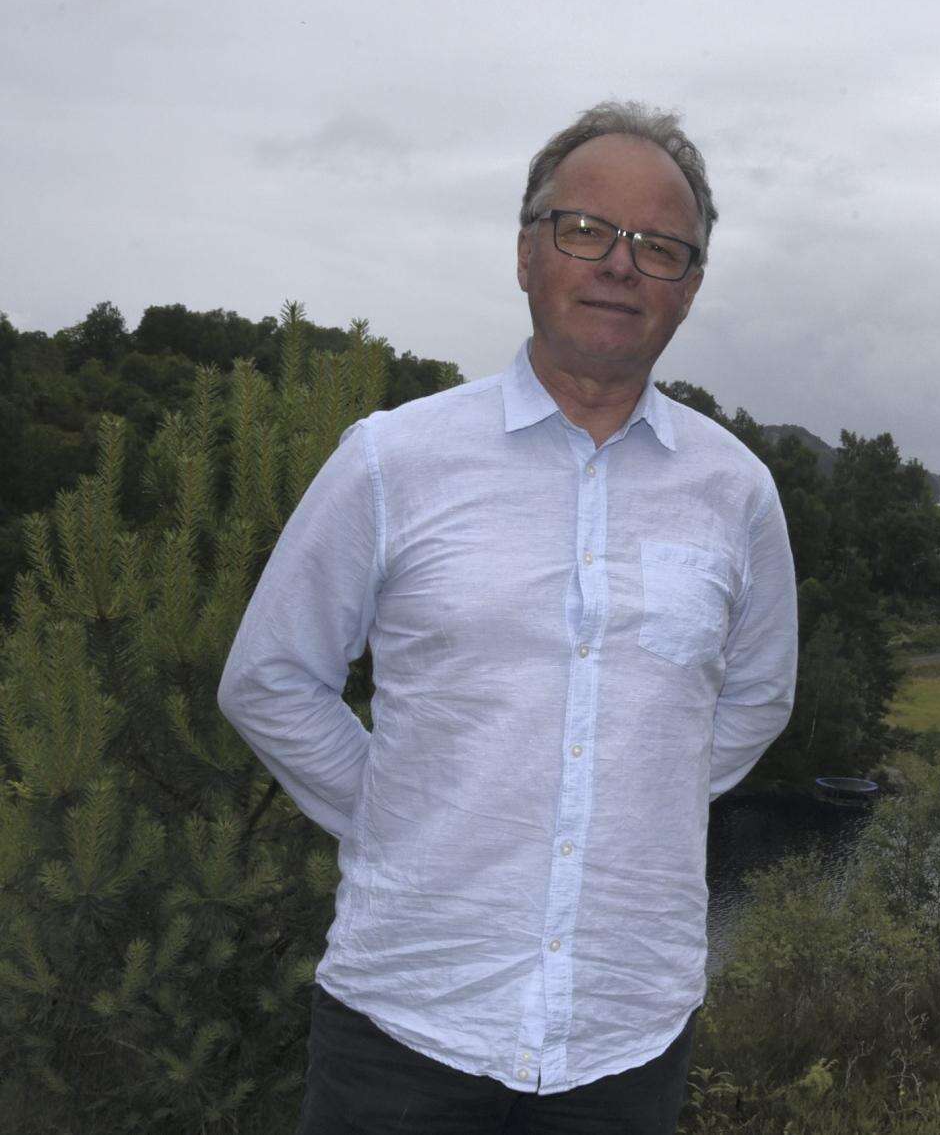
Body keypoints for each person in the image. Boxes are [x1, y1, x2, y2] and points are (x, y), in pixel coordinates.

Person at [218, 101, 798, 1135]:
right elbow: (271, 677)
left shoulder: (737, 492)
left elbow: (756, 696)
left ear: (690, 286)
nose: (619, 264)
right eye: (585, 230)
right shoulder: (392, 460)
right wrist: (399, 812)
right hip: (403, 1020)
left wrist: (632, 798)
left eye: (659, 246)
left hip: (626, 1034)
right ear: (527, 251)